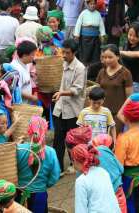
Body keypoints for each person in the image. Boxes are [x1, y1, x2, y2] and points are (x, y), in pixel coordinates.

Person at [52, 39, 86, 173]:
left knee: (72, 140)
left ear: (74, 53)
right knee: (58, 139)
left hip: (73, 110)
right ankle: (58, 168)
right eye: (63, 52)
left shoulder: (80, 68)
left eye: (67, 53)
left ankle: (75, 163)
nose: (64, 55)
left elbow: (77, 90)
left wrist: (61, 93)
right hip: (60, 108)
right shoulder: (63, 63)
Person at [16, 116, 60, 212]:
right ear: (45, 130)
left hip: (20, 193)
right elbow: (55, 175)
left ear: (29, 130)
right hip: (40, 195)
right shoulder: (51, 152)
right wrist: (44, 185)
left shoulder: (19, 149)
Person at [72, 144, 121, 213]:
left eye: (73, 160)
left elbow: (80, 209)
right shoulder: (103, 171)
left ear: (76, 161)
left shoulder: (81, 181)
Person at [96, 44, 133, 134]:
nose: (107, 60)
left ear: (117, 57)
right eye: (104, 57)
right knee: (101, 139)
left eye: (110, 57)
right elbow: (96, 91)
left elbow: (130, 97)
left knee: (115, 139)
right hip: (102, 112)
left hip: (118, 114)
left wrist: (125, 114)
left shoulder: (125, 73)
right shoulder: (102, 72)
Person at [91, 134, 127, 213]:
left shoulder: (91, 157)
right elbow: (121, 169)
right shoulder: (111, 154)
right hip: (117, 192)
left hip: (102, 195)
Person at [115, 100, 139, 212]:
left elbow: (118, 165)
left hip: (130, 179)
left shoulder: (124, 138)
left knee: (131, 206)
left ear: (126, 118)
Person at [74, 0, 106, 65]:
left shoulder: (98, 14)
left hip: (95, 38)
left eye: (94, 4)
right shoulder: (83, 13)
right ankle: (83, 67)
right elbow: (78, 24)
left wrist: (103, 35)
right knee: (85, 55)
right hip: (84, 39)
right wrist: (76, 35)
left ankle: (93, 68)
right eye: (91, 4)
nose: (92, 5)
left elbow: (101, 25)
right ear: (88, 4)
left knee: (95, 55)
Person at [121, 22, 139, 93]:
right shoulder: (126, 45)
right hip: (125, 79)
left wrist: (120, 52)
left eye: (136, 36)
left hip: (136, 82)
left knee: (134, 102)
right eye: (130, 35)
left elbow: (136, 54)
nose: (132, 38)